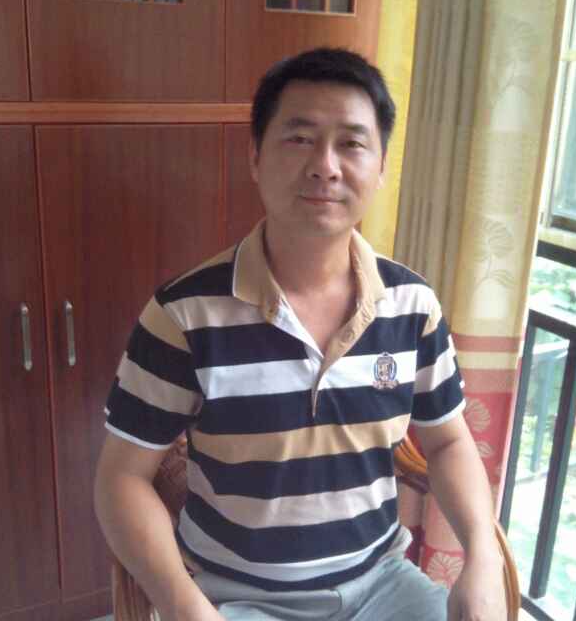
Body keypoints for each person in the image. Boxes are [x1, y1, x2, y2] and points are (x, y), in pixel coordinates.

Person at [95, 47, 506, 621]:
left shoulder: (412, 306)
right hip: (236, 596)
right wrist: (183, 605)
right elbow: (122, 477)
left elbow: (447, 442)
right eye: (300, 138)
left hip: (381, 585)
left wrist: (482, 559)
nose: (325, 166)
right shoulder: (184, 314)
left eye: (352, 143)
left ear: (382, 166)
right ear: (255, 156)